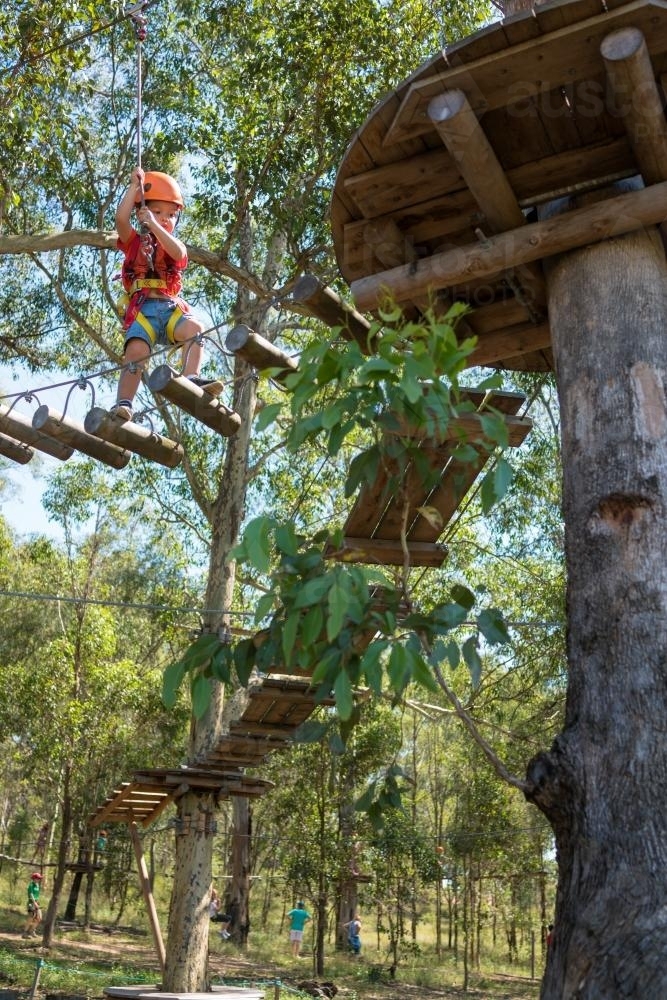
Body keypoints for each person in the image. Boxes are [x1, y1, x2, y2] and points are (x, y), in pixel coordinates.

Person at [111, 167, 218, 422]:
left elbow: (179, 253)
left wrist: (156, 225)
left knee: (195, 328)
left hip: (170, 310)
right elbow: (120, 221)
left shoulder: (173, 245)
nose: (165, 218)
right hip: (143, 311)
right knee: (135, 352)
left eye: (171, 214)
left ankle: (191, 377)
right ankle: (124, 404)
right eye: (157, 211)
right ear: (143, 212)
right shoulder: (135, 243)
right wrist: (133, 188)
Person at [22, 872, 44, 938]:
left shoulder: (37, 885)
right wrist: (34, 903)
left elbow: (37, 894)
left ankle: (32, 931)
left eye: (39, 878)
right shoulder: (31, 885)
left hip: (37, 902)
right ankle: (25, 933)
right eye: (38, 878)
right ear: (34, 878)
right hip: (31, 903)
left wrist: (37, 903)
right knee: (30, 918)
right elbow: (31, 895)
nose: (39, 879)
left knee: (39, 918)